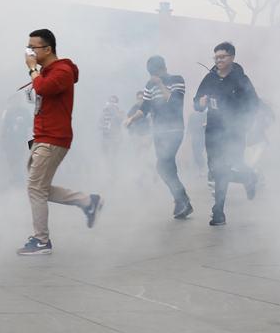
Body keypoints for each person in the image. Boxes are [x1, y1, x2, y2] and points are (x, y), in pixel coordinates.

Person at [17, 28, 103, 255]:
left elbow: (44, 88)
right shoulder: (47, 71)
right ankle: (88, 202)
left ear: (47, 49)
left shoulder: (62, 70)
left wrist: (32, 69)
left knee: (36, 188)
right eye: (28, 48)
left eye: (32, 48)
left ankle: (41, 241)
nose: (29, 52)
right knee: (39, 188)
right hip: (43, 136)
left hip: (53, 137)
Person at [193, 41, 260, 226]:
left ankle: (219, 211)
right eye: (216, 57)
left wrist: (245, 123)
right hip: (213, 130)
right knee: (216, 169)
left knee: (229, 166)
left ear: (232, 57)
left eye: (222, 57)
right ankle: (246, 179)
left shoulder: (241, 79)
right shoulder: (209, 78)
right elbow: (196, 102)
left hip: (234, 131)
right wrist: (200, 103)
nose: (218, 60)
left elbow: (254, 104)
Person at [124, 55, 191, 219]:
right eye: (151, 73)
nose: (153, 76)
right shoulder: (149, 85)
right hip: (159, 131)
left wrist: (160, 84)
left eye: (155, 72)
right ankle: (181, 201)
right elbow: (145, 108)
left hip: (174, 130)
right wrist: (131, 119)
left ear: (164, 68)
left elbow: (173, 101)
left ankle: (183, 200)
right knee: (166, 166)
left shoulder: (177, 80)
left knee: (163, 165)